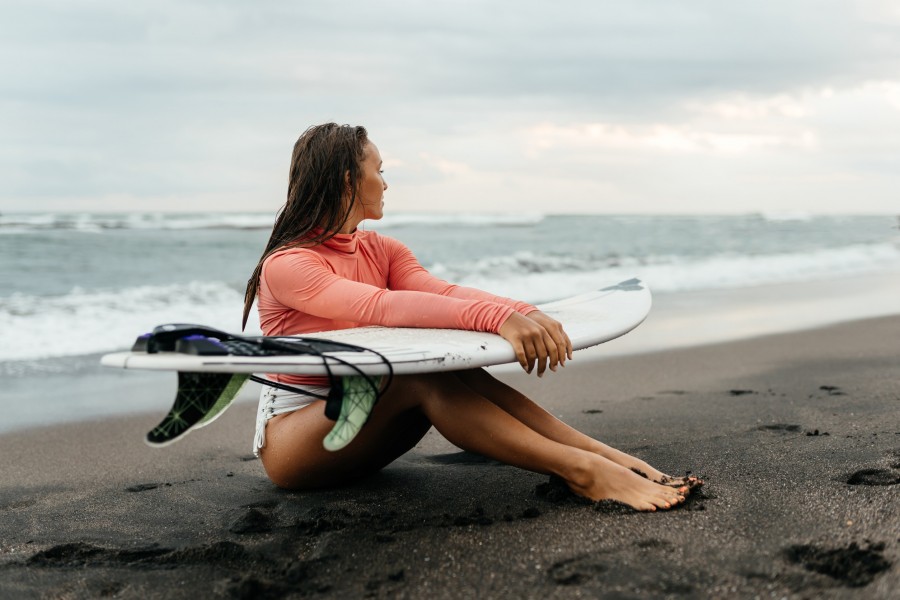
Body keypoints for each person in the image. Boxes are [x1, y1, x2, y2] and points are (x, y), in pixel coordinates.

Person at [242, 123, 695, 511]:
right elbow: (381, 308)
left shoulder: (382, 250)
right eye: (378, 171)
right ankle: (583, 471)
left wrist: (523, 312)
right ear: (347, 180)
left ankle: (603, 456)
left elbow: (443, 294)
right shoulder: (288, 265)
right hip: (299, 444)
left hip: (367, 426)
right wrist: (498, 322)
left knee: (463, 370)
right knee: (418, 379)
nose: (386, 182)